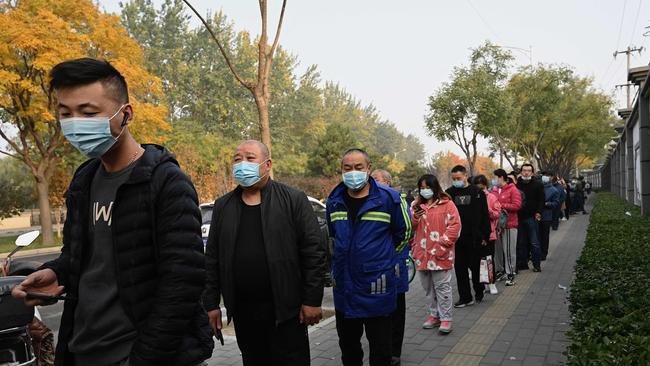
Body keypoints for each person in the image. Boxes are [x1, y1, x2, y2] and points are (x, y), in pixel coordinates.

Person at [12, 58, 213, 366]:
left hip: (138, 354)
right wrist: (56, 272)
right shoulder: (84, 180)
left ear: (126, 114)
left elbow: (182, 284)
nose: (75, 123)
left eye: (88, 113)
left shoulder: (166, 181)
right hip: (83, 349)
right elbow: (80, 256)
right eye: (66, 113)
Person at [202, 140, 325, 366]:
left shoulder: (293, 199)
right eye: (237, 159)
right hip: (244, 312)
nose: (242, 164)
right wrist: (210, 303)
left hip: (287, 312)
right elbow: (212, 259)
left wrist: (312, 300)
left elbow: (313, 252)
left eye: (250, 158)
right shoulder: (223, 205)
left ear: (267, 164)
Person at [327, 149, 412, 366]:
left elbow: (403, 234)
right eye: (347, 168)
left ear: (368, 169)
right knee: (349, 349)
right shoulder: (334, 200)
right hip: (345, 288)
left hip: (378, 287)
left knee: (381, 351)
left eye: (358, 168)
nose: (352, 172)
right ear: (341, 170)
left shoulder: (389, 199)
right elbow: (334, 235)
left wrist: (383, 260)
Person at [411, 174, 461, 335]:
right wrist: (415, 219)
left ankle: (446, 317)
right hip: (422, 254)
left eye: (428, 187)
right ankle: (434, 315)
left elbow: (454, 227)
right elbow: (411, 228)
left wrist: (442, 245)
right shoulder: (416, 205)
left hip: (440, 253)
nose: (425, 191)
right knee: (428, 288)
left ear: (435, 187)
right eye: (422, 188)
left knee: (443, 287)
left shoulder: (448, 204)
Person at [371, 169, 408, 366]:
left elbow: (406, 231)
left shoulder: (395, 200)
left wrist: (390, 255)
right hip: (374, 271)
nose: (373, 183)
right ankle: (383, 348)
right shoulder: (369, 200)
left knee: (396, 309)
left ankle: (395, 351)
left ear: (387, 182)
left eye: (376, 180)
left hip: (394, 265)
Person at [446, 165, 491, 307]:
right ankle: (465, 297)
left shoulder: (477, 192)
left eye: (458, 178)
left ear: (466, 176)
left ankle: (479, 289)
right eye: (453, 179)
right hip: (457, 238)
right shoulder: (449, 193)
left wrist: (485, 235)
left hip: (475, 237)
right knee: (460, 269)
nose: (456, 181)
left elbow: (485, 215)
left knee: (475, 267)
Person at [491, 169, 522, 287]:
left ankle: (511, 273)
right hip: (496, 225)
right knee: (497, 251)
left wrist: (501, 205)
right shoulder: (493, 191)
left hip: (509, 225)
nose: (493, 180)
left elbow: (517, 205)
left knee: (509, 250)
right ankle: (500, 270)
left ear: (501, 177)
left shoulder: (513, 190)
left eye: (495, 178)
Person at [473, 175, 502, 295]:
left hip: (489, 234)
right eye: (477, 184)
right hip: (476, 235)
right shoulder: (473, 197)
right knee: (479, 261)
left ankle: (492, 283)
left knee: (489, 259)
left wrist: (487, 210)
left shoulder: (491, 197)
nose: (479, 187)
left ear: (485, 185)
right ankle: (483, 283)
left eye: (481, 184)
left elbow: (497, 214)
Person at [516, 164, 545, 272]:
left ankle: (536, 265)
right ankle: (522, 264)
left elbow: (541, 200)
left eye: (529, 171)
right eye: (524, 170)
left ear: (532, 173)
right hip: (519, 217)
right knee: (521, 242)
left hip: (532, 217)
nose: (526, 172)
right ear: (521, 172)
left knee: (534, 242)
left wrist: (538, 212)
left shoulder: (538, 184)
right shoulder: (516, 184)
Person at [539, 172, 561, 261]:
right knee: (537, 236)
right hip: (536, 216)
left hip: (546, 216)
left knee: (544, 236)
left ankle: (543, 253)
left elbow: (556, 203)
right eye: (544, 175)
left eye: (547, 176)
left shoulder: (553, 190)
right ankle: (536, 253)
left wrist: (547, 204)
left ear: (551, 178)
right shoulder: (538, 187)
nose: (545, 177)